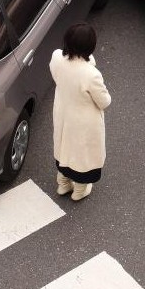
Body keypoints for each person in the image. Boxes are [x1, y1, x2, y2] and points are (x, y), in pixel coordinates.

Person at [49, 23, 111, 201]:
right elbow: (104, 101)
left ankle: (63, 184)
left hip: (63, 112)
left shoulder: (56, 58)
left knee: (63, 148)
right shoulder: (91, 74)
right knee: (82, 156)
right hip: (84, 122)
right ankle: (79, 191)